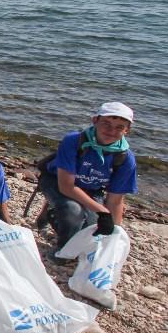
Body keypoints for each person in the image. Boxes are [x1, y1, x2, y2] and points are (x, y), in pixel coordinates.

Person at [39, 102, 138, 250]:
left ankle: (51, 214)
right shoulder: (73, 141)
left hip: (91, 189)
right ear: (95, 121)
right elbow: (66, 187)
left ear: (127, 131)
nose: (111, 131)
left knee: (92, 228)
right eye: (106, 124)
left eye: (119, 127)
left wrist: (112, 232)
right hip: (57, 182)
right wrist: (102, 210)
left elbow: (115, 200)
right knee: (73, 212)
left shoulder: (125, 158)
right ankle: (62, 252)